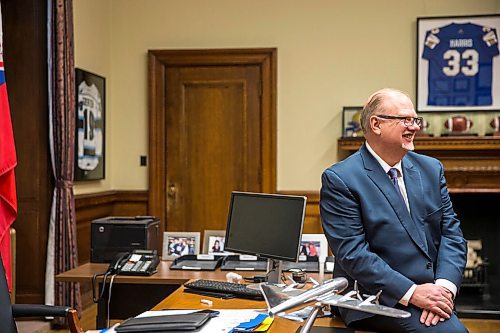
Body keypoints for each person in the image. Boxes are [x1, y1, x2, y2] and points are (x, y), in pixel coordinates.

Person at [320, 88, 468, 333]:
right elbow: (353, 254)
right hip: (373, 297)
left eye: (415, 120)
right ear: (376, 124)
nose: (415, 127)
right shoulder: (341, 179)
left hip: (432, 291)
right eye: (405, 120)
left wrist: (444, 288)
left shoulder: (431, 169)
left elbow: (452, 235)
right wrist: (412, 293)